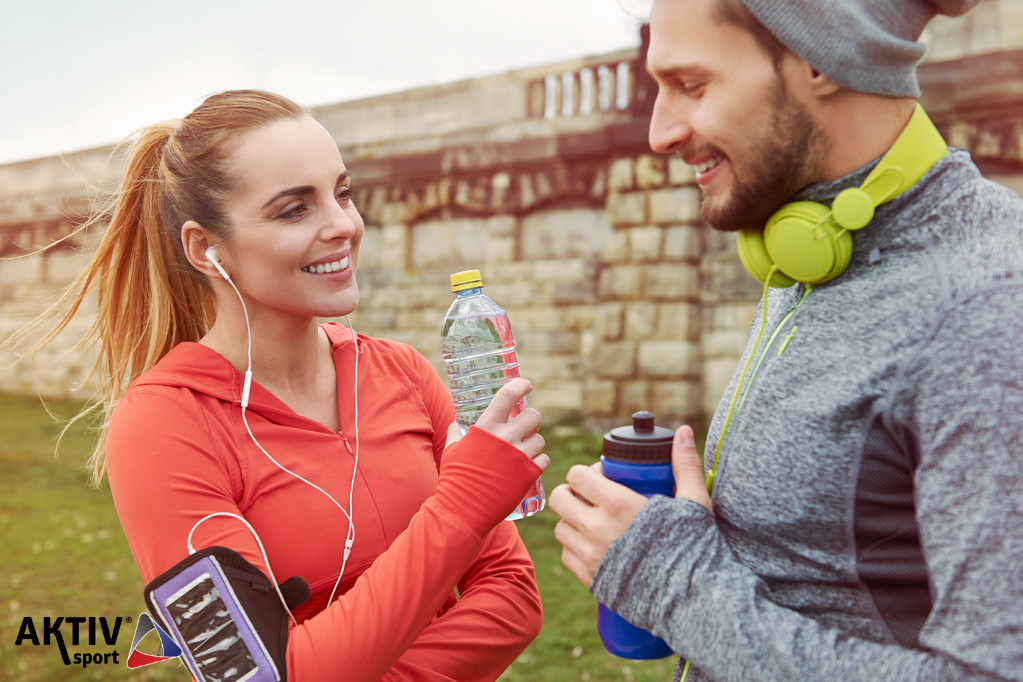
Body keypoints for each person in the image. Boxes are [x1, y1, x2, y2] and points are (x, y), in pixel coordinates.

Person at [550, 0, 1023, 680]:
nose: (658, 131)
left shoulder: (984, 310)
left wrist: (672, 580)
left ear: (818, 57)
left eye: (692, 84)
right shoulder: (802, 244)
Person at [9, 89, 549, 681]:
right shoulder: (161, 426)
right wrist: (465, 502)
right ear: (206, 249)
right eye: (296, 209)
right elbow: (257, 673)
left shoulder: (403, 373)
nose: (343, 225)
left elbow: (513, 598)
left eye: (342, 194)